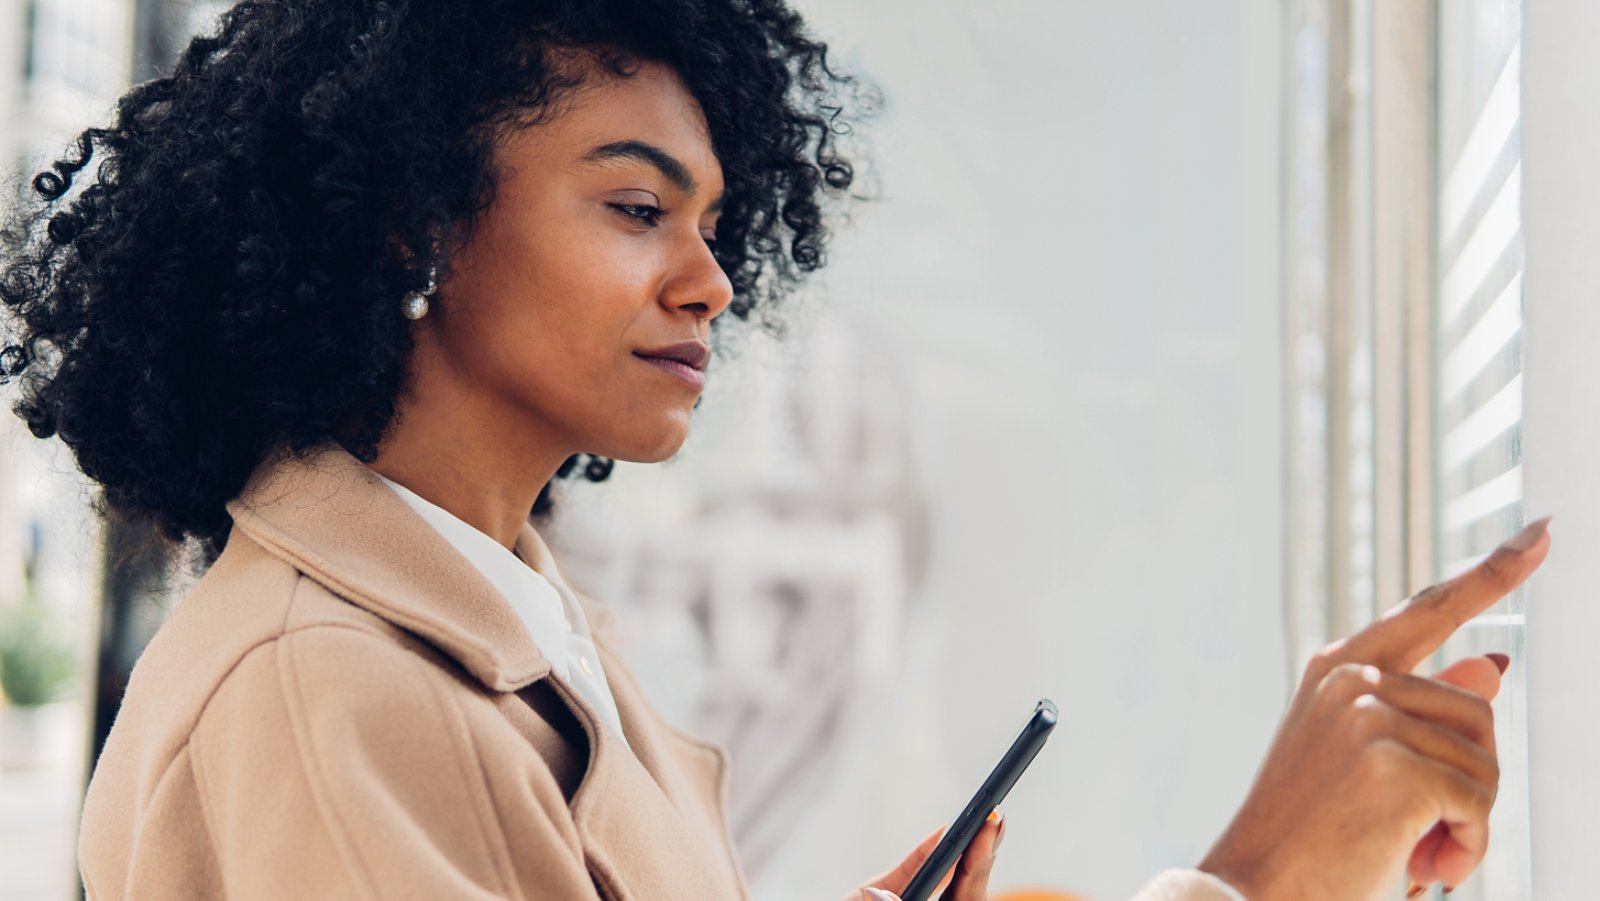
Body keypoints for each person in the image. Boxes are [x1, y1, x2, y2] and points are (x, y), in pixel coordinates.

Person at [0, 1, 1549, 899]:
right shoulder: (324, 691)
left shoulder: (512, 625)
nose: (712, 276)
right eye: (634, 205)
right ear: (414, 221)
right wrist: (1255, 880)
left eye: (715, 221)